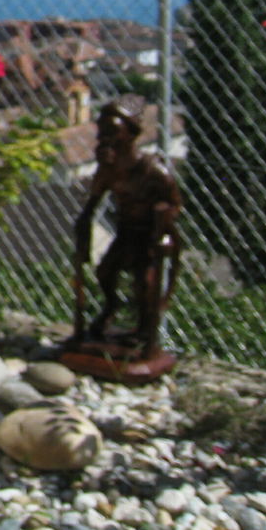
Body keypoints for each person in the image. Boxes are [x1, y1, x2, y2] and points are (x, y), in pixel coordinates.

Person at [70, 99, 182, 356]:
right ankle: (110, 308)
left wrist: (163, 221)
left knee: (146, 284)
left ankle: (144, 331)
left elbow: (175, 203)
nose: (105, 137)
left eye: (112, 131)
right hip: (125, 230)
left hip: (150, 233)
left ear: (129, 133)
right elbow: (94, 201)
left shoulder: (152, 170)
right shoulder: (109, 171)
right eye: (103, 130)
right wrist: (84, 222)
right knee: (105, 273)